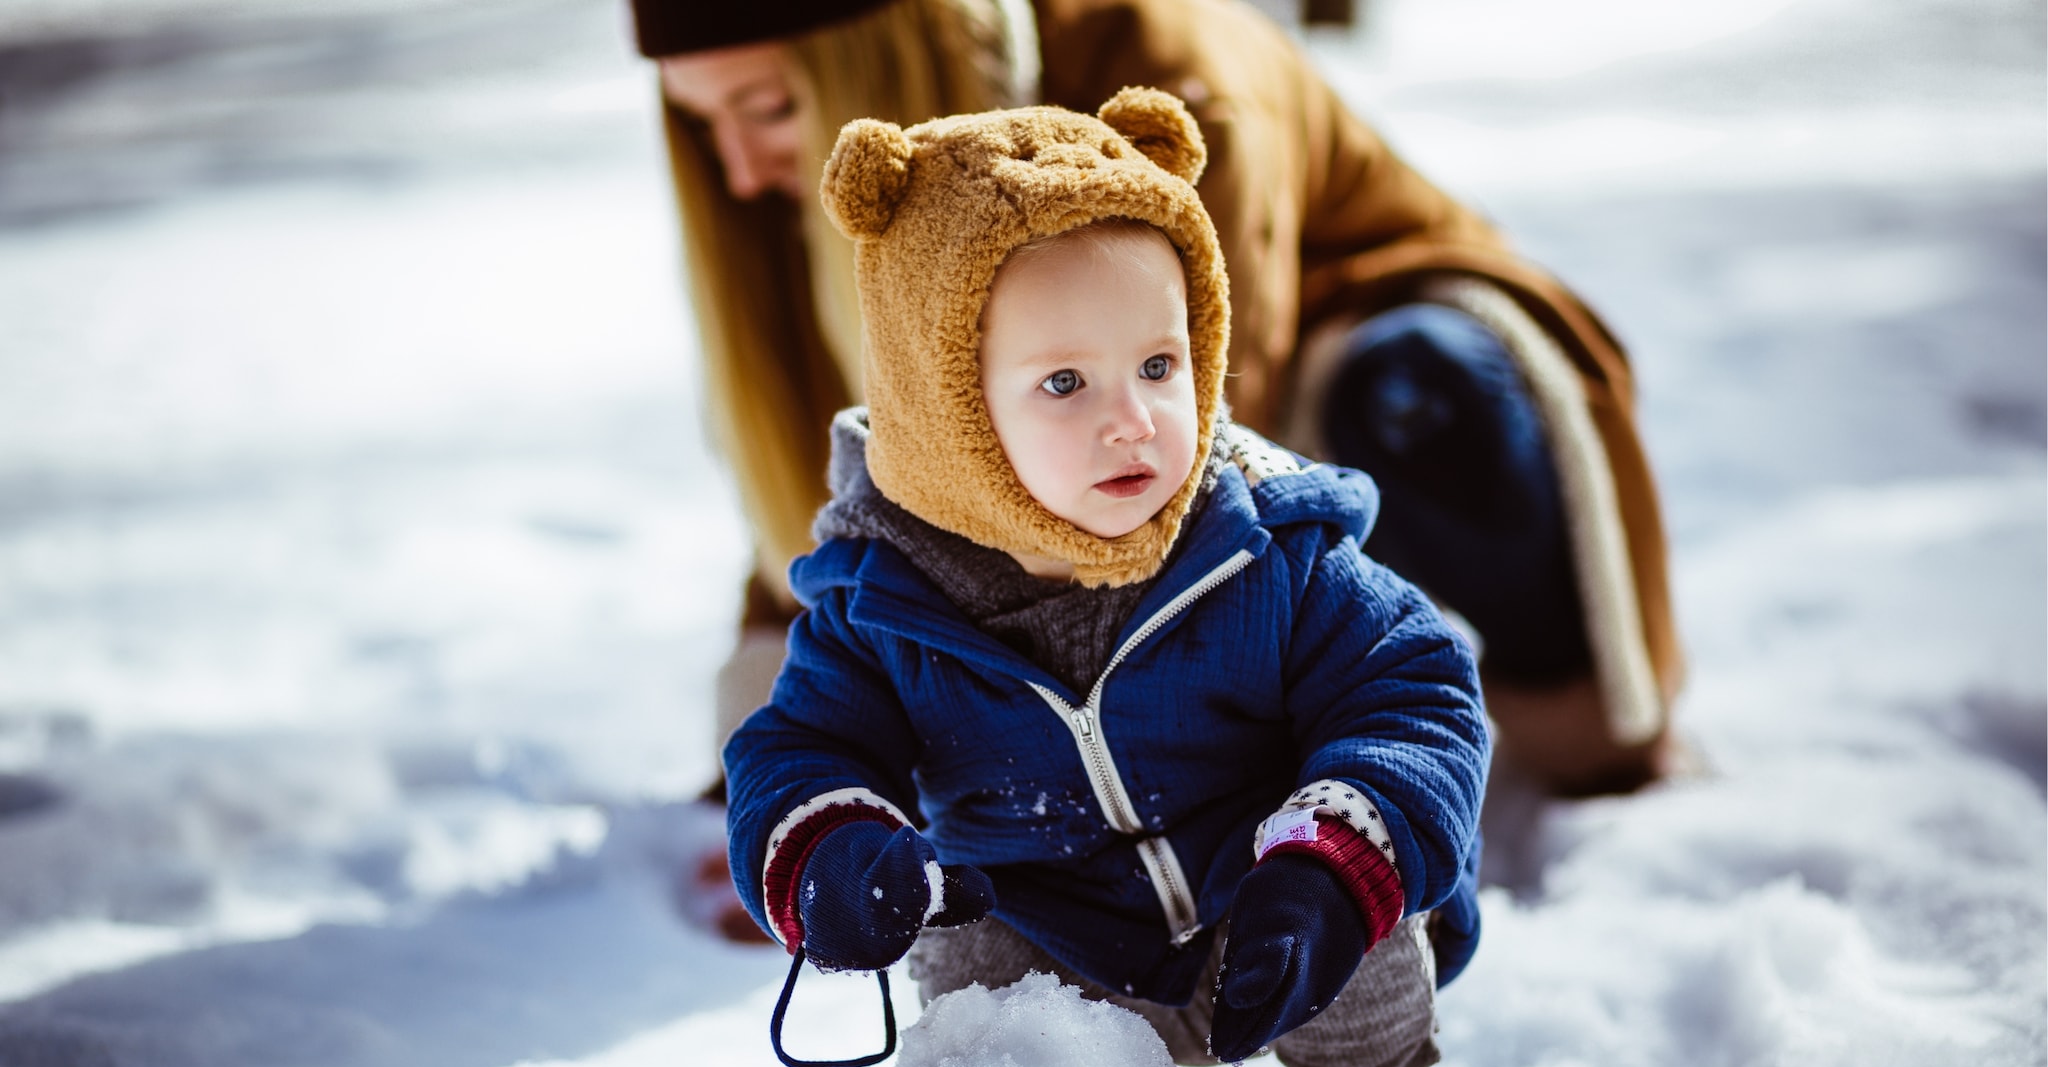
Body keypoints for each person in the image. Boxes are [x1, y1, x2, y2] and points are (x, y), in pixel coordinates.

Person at [725, 92, 1491, 1067]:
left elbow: (1414, 690)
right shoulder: (886, 602)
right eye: (1063, 383)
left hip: (1264, 906)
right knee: (976, 982)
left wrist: (1330, 858)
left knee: (1358, 873)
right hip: (1051, 935)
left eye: (1157, 363)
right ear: (948, 413)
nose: (1131, 419)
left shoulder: (1270, 552)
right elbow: (799, 745)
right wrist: (834, 851)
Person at [635, 0, 1684, 802]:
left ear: (886, 49)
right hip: (1091, 440)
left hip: (1320, 393)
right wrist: (797, 761)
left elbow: (1195, 422)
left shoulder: (1165, 70)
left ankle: (1548, 723)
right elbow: (884, 450)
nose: (735, 170)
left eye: (767, 107)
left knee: (1403, 385)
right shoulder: (840, 184)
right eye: (702, 124)